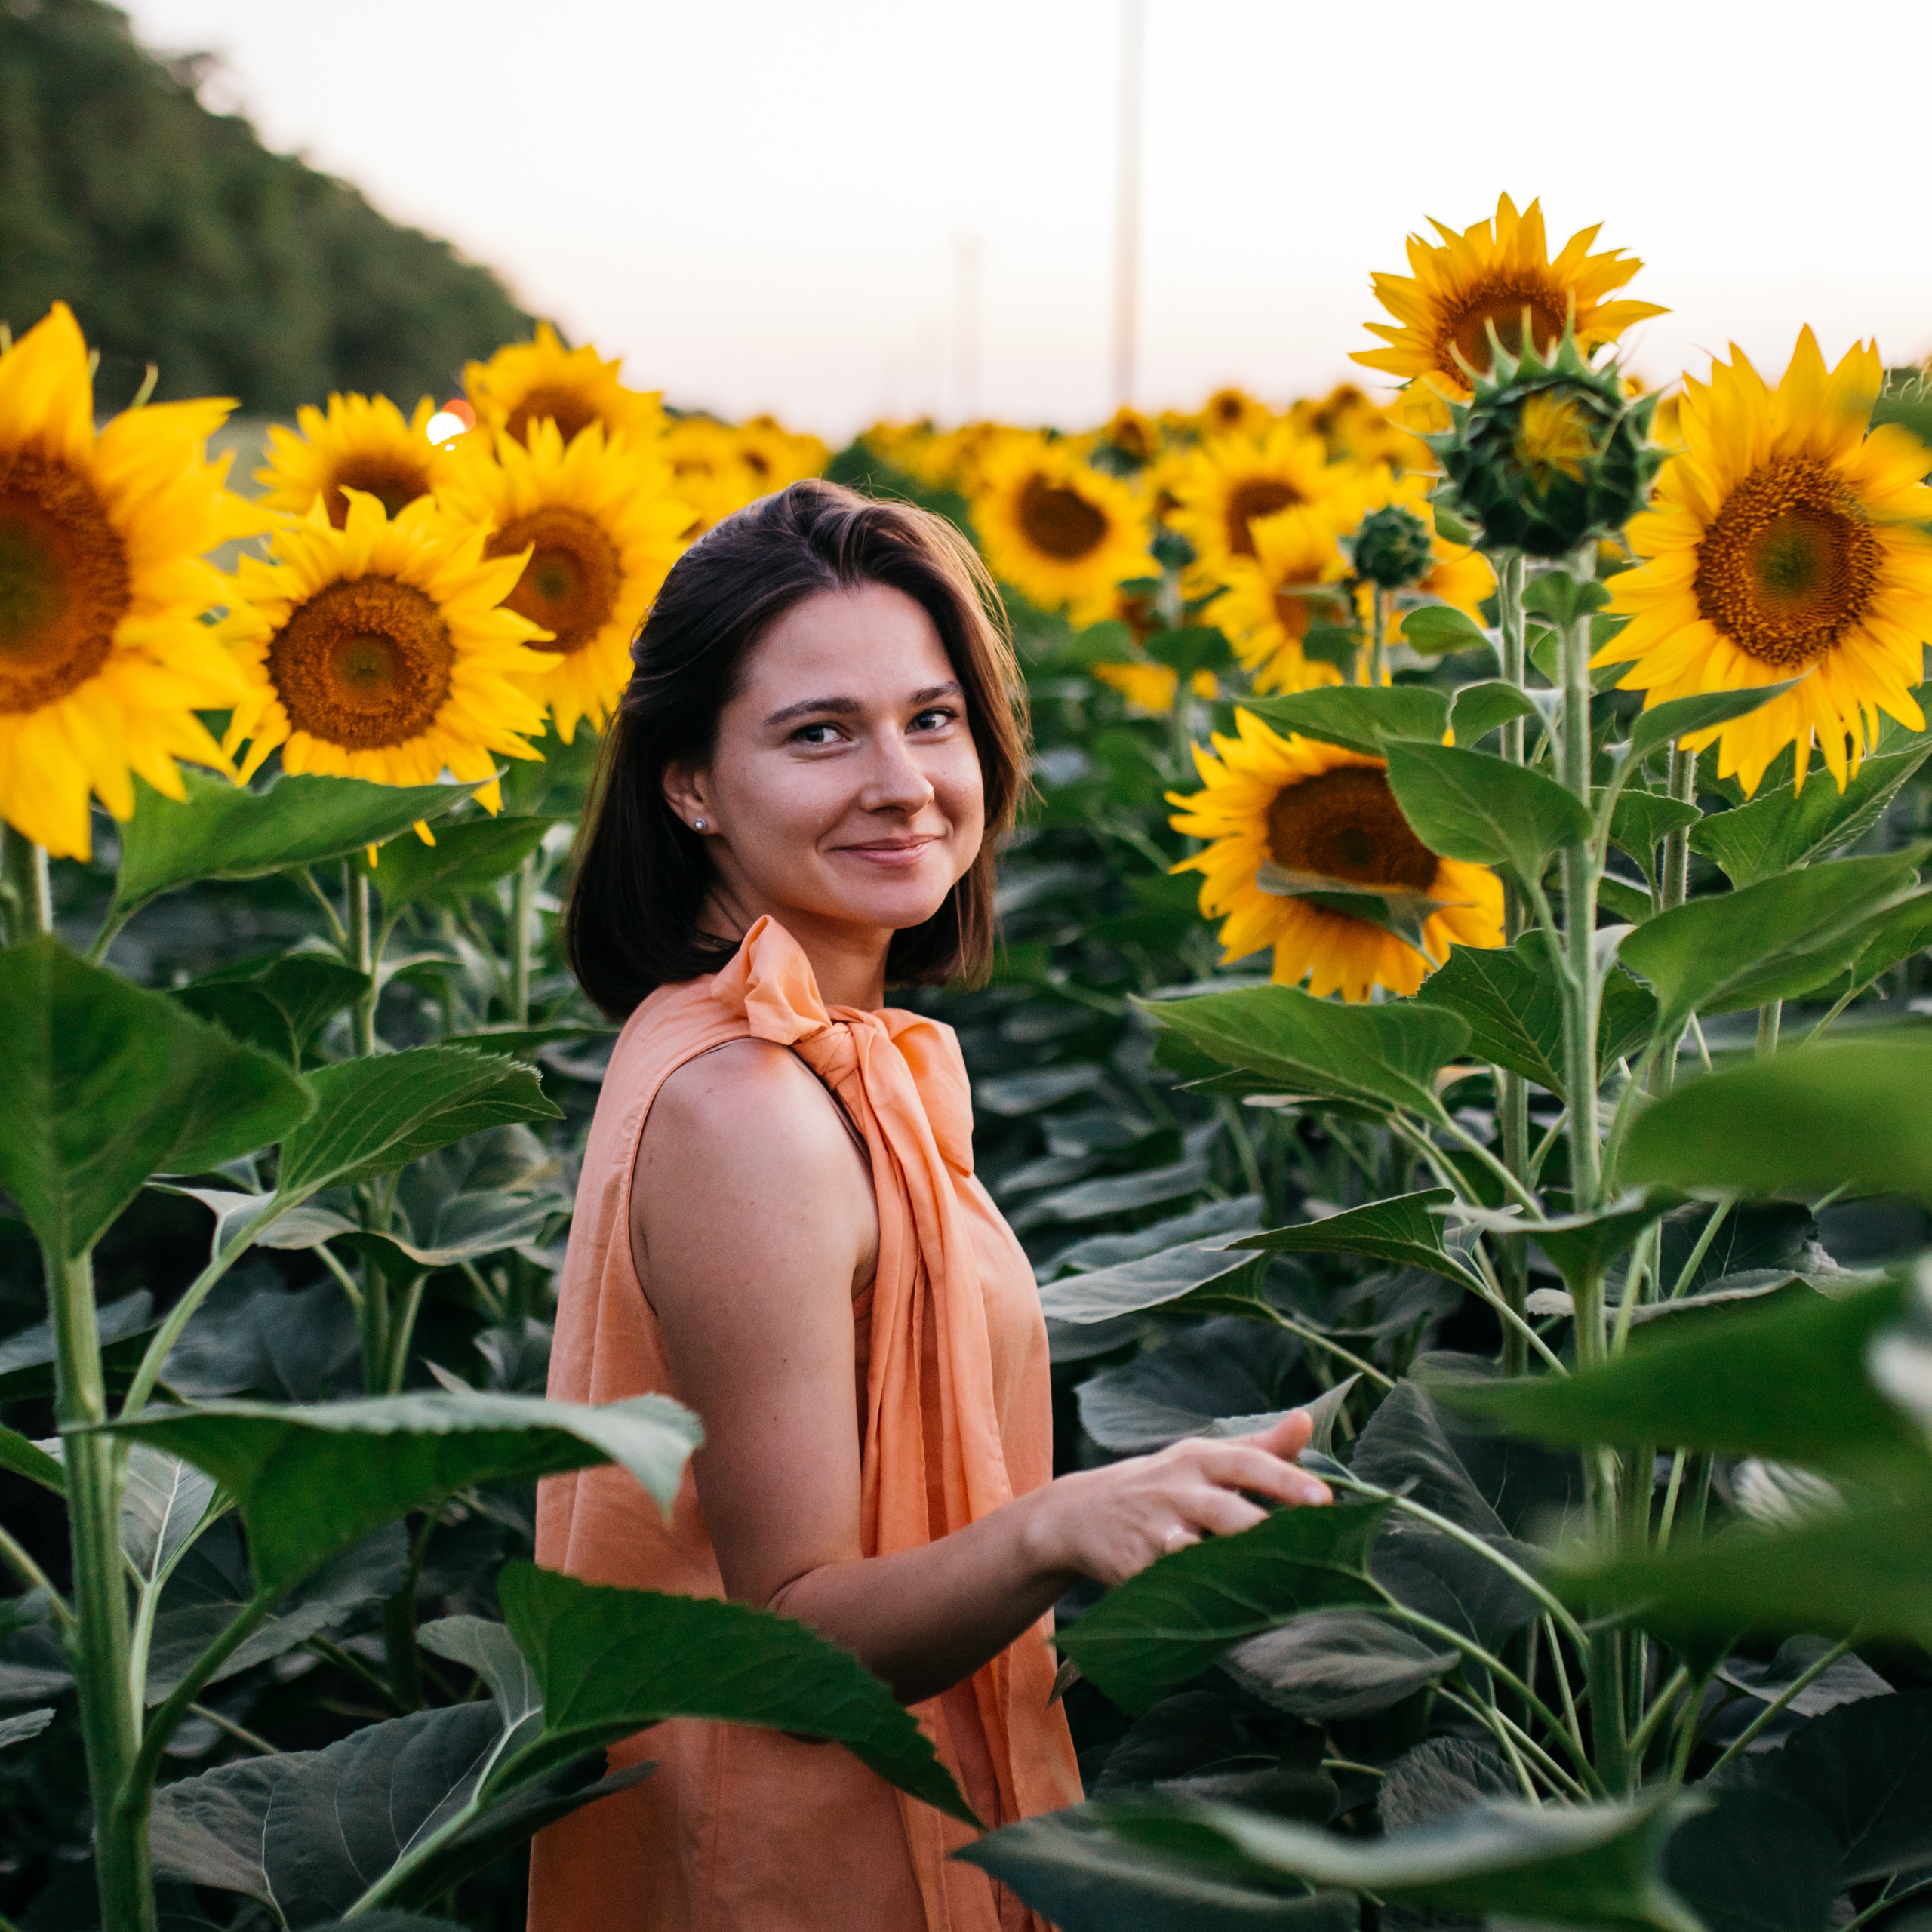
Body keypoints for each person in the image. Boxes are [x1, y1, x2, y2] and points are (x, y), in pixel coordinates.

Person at [528, 479, 1331, 1932]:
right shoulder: (749, 1107)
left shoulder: (813, 1055)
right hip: (801, 1866)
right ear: (689, 782)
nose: (902, 779)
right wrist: (1054, 1532)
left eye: (934, 716)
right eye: (820, 732)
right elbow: (796, 1635)